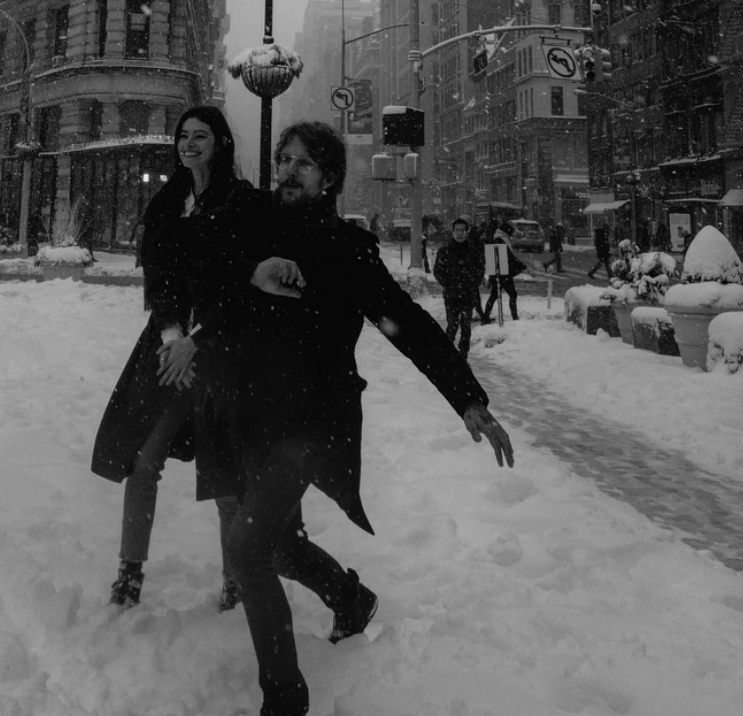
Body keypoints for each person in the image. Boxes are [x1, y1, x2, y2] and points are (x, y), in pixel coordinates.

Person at [196, 123, 513, 716]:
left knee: (246, 546)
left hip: (312, 422)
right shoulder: (251, 224)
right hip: (250, 416)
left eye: (305, 163)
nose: (289, 171)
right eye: (283, 160)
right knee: (282, 550)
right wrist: (248, 272)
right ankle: (351, 597)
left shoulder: (348, 248)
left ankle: (285, 700)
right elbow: (199, 264)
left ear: (331, 178)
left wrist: (467, 396)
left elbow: (405, 323)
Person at [91, 105, 259, 611]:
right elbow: (158, 277)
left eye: (201, 135)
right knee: (144, 460)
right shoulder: (166, 202)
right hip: (165, 350)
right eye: (183, 136)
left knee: (225, 477)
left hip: (220, 352)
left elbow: (241, 285)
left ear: (221, 143)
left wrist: (197, 339)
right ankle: (130, 569)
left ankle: (237, 579)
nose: (189, 144)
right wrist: (170, 333)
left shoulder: (240, 202)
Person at [432, 216, 484, 355]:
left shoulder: (473, 251)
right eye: (457, 230)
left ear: (467, 232)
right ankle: (448, 355)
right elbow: (437, 271)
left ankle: (463, 355)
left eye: (462, 230)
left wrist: (473, 285)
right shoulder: (445, 251)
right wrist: (448, 285)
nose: (459, 233)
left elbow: (480, 270)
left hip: (468, 295)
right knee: (452, 325)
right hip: (451, 295)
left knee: (466, 326)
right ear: (452, 232)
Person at [482, 221, 526, 323]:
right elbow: (510, 257)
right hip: (503, 272)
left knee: (494, 296)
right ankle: (515, 318)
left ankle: (485, 318)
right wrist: (524, 267)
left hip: (499, 272)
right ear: (507, 230)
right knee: (512, 294)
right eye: (511, 230)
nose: (512, 232)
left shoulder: (498, 238)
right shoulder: (500, 239)